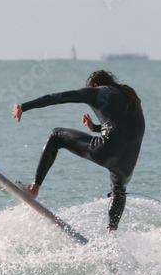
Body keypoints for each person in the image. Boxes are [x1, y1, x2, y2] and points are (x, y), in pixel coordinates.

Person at [12, 70, 145, 231]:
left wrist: (23, 107)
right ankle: (112, 233)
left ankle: (34, 188)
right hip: (127, 163)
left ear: (95, 85)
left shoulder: (99, 92)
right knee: (119, 191)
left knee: (56, 135)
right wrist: (95, 128)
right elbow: (125, 128)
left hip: (106, 150)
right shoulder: (130, 98)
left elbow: (59, 97)